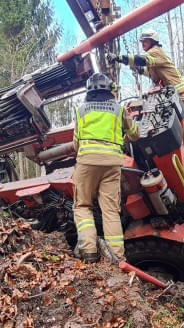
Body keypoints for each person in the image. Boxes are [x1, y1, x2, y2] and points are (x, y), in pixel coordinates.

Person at [73, 73, 140, 263]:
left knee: (83, 205)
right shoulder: (118, 110)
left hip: (86, 162)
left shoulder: (81, 110)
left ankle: (90, 253)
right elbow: (135, 134)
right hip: (112, 164)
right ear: (109, 90)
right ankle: (116, 257)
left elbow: (76, 143)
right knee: (110, 210)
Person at [108, 29, 184, 99]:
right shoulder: (154, 59)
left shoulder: (155, 51)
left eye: (145, 41)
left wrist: (119, 58)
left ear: (153, 41)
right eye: (142, 41)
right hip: (174, 94)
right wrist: (140, 69)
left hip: (180, 92)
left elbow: (142, 60)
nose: (143, 43)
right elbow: (151, 72)